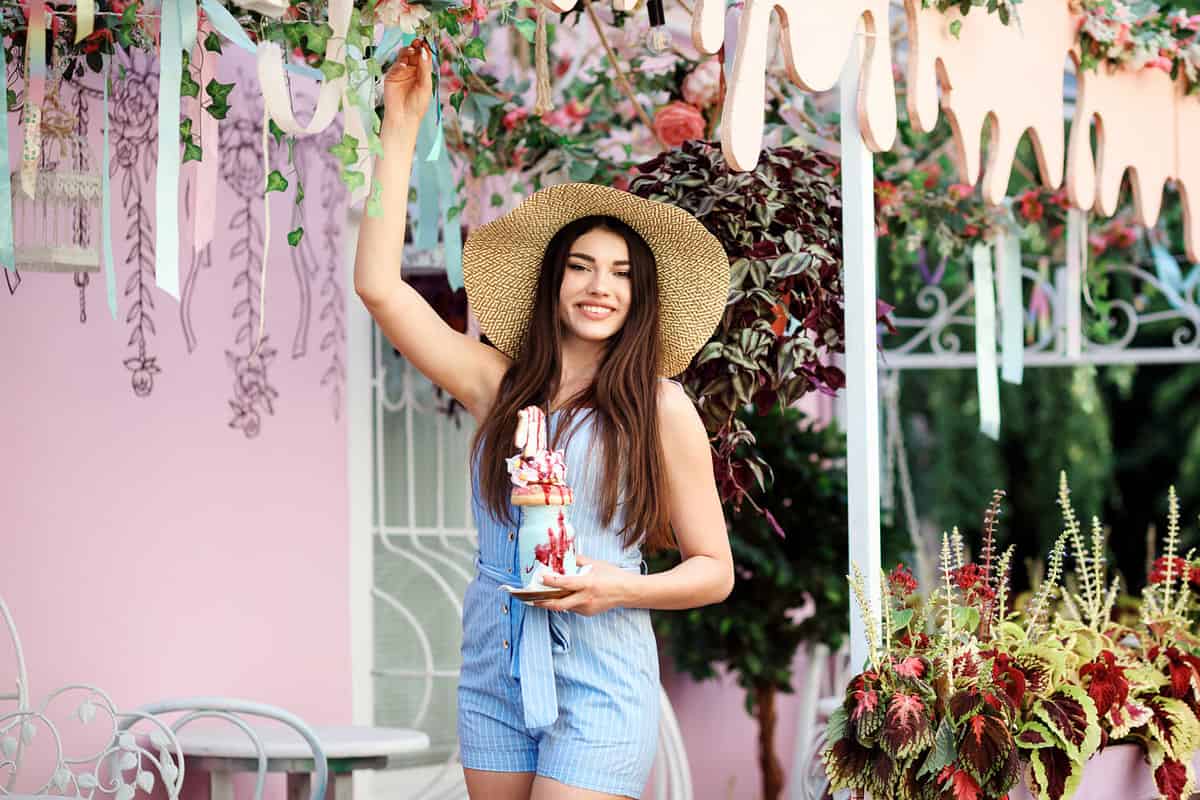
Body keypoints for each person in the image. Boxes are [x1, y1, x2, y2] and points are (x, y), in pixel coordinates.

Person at [354, 40, 735, 800]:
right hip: (495, 663)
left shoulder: (660, 407)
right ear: (553, 280)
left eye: (624, 274)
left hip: (601, 672)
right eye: (583, 266)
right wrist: (398, 132)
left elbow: (714, 572)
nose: (602, 288)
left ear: (642, 298)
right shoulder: (497, 386)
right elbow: (378, 288)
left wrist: (614, 587)